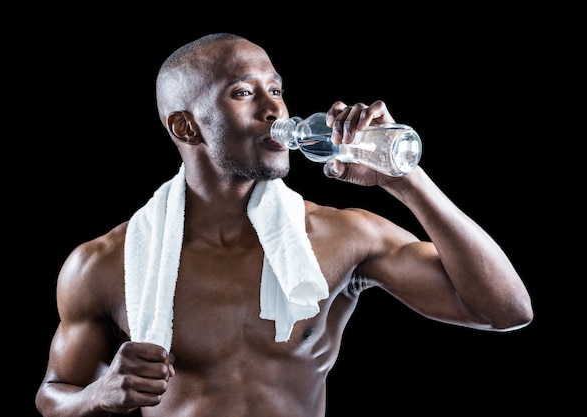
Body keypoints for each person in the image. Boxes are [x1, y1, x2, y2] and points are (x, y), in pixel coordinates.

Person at [35, 33, 533, 417]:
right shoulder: (105, 263)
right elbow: (53, 394)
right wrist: (96, 396)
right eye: (243, 92)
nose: (274, 109)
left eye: (276, 89)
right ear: (186, 127)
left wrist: (404, 180)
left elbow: (506, 309)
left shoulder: (341, 237)